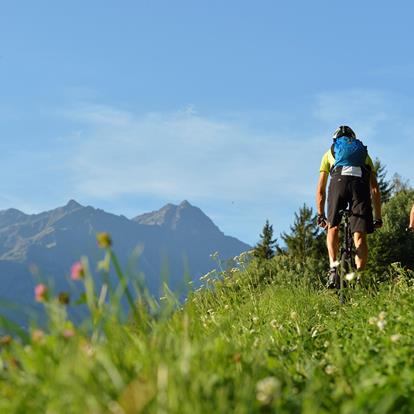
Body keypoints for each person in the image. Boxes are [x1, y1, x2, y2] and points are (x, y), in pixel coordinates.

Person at [316, 125, 382, 288]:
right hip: (360, 187)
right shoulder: (365, 155)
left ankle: (333, 269)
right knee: (359, 235)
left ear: (336, 140)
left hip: (338, 184)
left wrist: (321, 214)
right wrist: (378, 217)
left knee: (332, 227)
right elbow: (374, 189)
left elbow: (320, 190)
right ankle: (360, 277)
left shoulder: (329, 153)